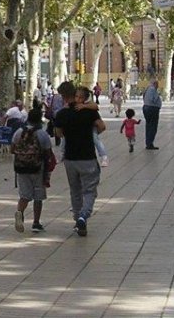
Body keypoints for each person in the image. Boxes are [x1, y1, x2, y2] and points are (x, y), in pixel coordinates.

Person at [53, 82, 105, 237]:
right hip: (87, 157)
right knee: (89, 191)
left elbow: (58, 133)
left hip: (70, 159)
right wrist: (91, 134)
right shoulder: (89, 111)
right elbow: (101, 126)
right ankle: (83, 216)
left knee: (75, 191)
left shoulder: (62, 114)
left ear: (63, 96)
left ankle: (78, 219)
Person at [11, 107, 54, 234]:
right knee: (38, 196)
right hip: (37, 168)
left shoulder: (19, 132)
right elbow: (48, 152)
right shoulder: (42, 134)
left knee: (24, 195)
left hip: (21, 168)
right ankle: (36, 222)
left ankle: (20, 212)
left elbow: (12, 149)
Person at [142, 79, 162, 150]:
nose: (158, 86)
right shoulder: (153, 89)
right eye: (157, 84)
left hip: (146, 108)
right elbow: (153, 99)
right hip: (152, 109)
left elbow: (144, 97)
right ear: (155, 84)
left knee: (148, 126)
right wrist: (158, 97)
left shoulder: (147, 89)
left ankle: (148, 142)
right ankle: (150, 143)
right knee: (153, 126)